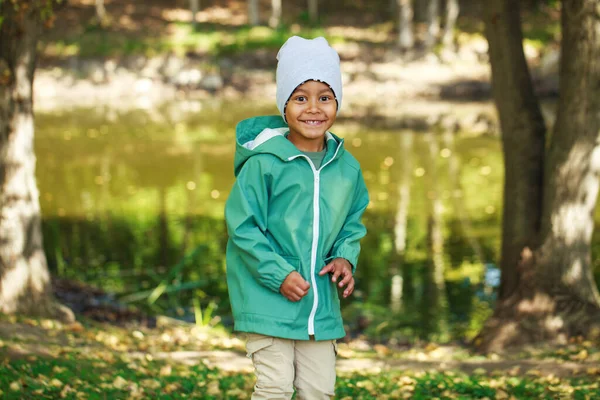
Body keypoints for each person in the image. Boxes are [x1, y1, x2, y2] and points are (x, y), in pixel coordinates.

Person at [224, 35, 369, 400]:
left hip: (319, 307)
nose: (313, 108)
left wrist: (344, 257)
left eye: (325, 97)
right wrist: (278, 274)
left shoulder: (347, 169)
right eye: (300, 97)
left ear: (337, 102)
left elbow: (352, 222)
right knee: (274, 388)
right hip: (268, 299)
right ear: (284, 105)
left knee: (319, 391)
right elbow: (243, 227)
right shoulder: (265, 163)